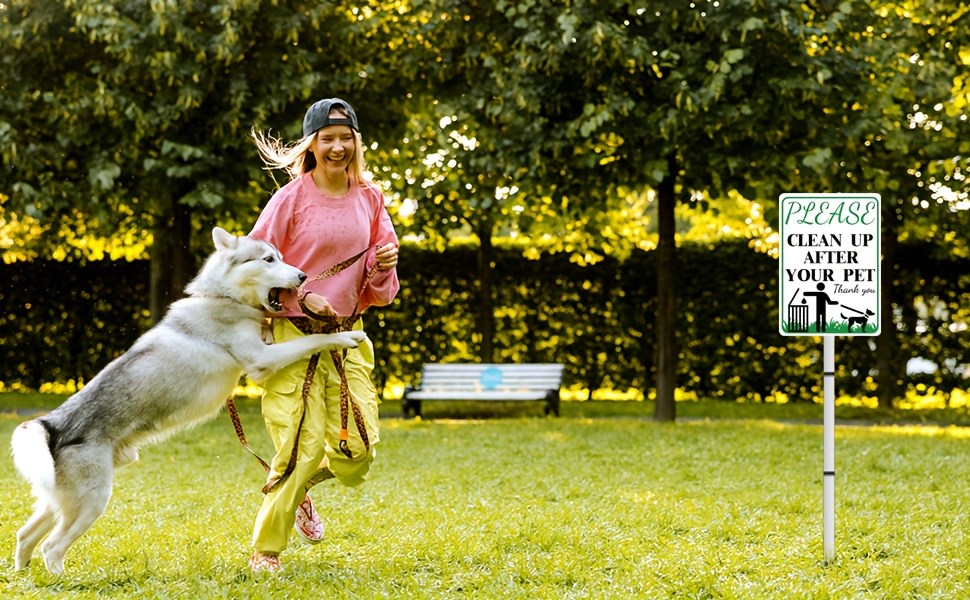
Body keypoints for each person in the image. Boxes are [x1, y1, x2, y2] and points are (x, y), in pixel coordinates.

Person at [246, 98, 400, 572]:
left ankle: (303, 491)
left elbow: (381, 290)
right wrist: (299, 298)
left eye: (345, 137)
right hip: (294, 338)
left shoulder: (371, 199)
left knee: (357, 454)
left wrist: (381, 267)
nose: (337, 147)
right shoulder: (289, 199)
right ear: (311, 145)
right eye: (327, 138)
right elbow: (252, 270)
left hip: (347, 338)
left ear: (356, 142)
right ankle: (266, 550)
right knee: (299, 446)